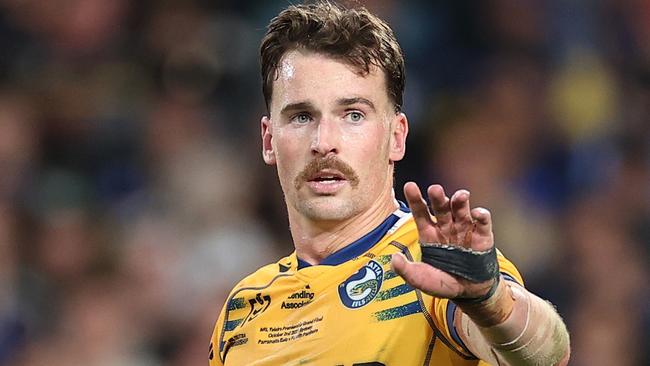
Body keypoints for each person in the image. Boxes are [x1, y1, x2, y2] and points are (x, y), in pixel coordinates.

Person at [209, 2, 570, 365]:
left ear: (396, 137)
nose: (323, 141)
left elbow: (545, 353)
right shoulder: (242, 312)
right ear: (269, 140)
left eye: (353, 115)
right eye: (302, 116)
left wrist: (489, 301)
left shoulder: (430, 264)